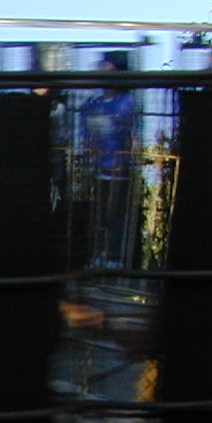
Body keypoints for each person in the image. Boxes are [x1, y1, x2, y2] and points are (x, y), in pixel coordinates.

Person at [79, 51, 138, 267]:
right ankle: (97, 254)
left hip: (119, 171)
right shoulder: (91, 105)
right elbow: (87, 136)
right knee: (97, 214)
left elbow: (132, 136)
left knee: (116, 214)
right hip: (96, 170)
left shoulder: (126, 103)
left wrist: (126, 160)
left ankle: (114, 256)